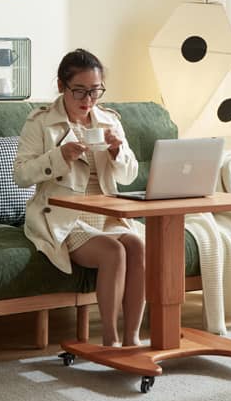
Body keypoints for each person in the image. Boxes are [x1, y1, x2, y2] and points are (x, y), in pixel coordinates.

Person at [13, 48, 145, 347]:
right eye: (80, 91)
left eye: (95, 91)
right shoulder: (40, 123)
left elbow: (129, 176)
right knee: (114, 251)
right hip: (64, 218)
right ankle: (109, 341)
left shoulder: (108, 121)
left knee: (136, 244)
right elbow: (20, 175)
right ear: (61, 86)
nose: (88, 100)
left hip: (106, 214)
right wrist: (58, 157)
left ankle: (132, 340)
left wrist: (117, 150)